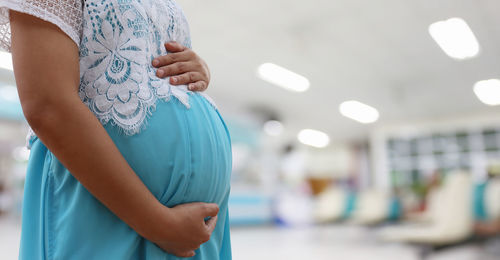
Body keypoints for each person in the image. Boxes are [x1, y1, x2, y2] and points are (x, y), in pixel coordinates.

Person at [1, 0, 232, 259]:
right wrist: (159, 224)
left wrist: (196, 71)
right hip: (109, 215)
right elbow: (47, 105)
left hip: (194, 234)